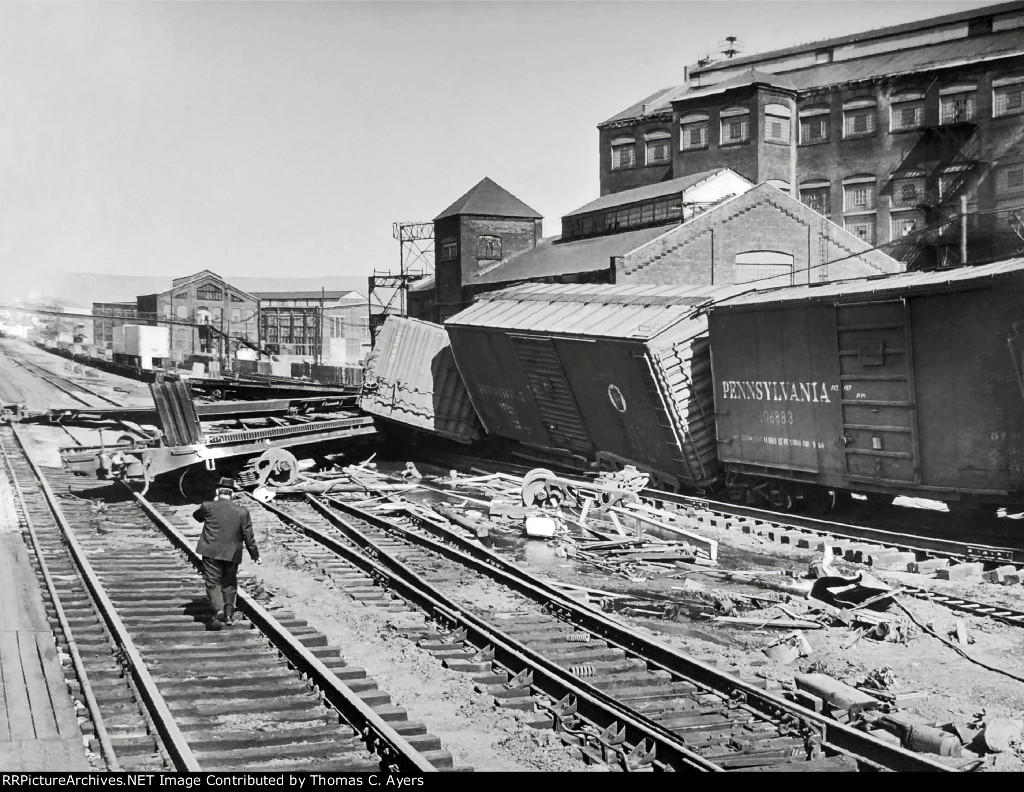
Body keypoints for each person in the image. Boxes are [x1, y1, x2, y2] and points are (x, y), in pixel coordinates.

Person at [192, 477, 261, 629]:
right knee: (229, 582)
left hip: (211, 551)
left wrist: (211, 504)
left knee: (212, 582)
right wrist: (255, 555)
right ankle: (229, 615)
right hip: (232, 553)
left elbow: (196, 517)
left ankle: (218, 611)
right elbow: (248, 536)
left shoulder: (208, 506)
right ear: (233, 494)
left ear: (217, 492)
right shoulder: (242, 512)